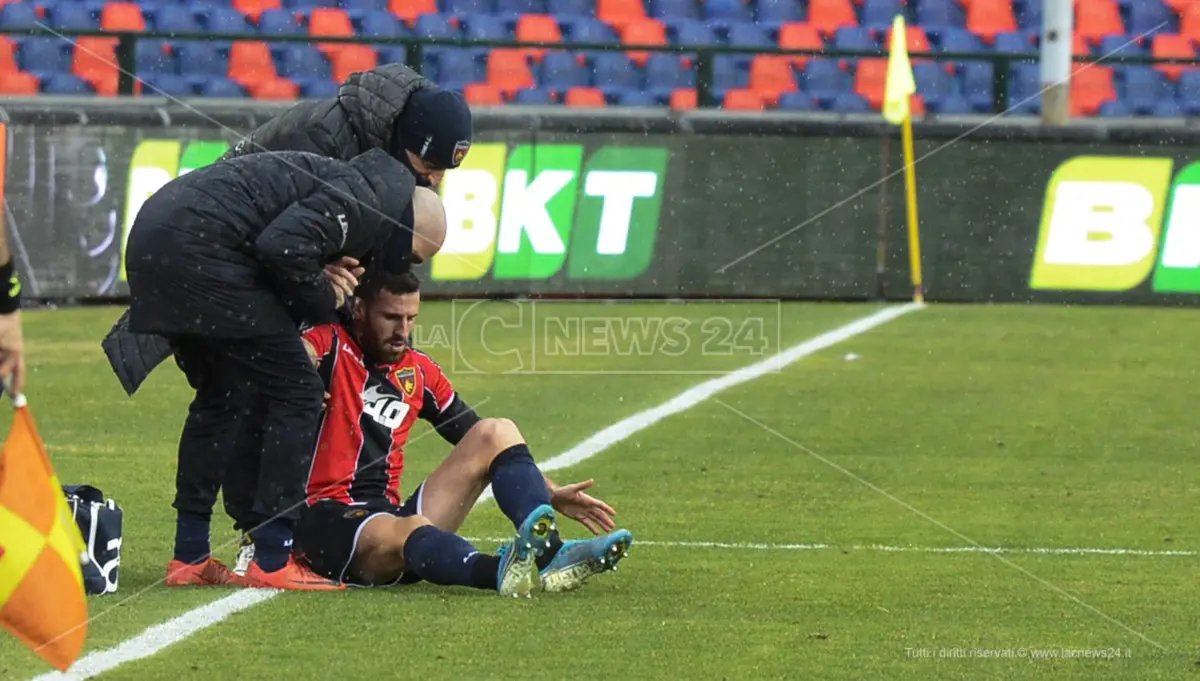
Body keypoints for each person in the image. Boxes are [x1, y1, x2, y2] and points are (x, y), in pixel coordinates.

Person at [125, 148, 447, 591]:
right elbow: (282, 248)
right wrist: (322, 289)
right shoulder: (359, 202)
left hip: (156, 239)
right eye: (410, 255)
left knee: (222, 394)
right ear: (398, 225)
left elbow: (277, 242)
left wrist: (315, 273)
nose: (402, 267)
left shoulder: (351, 183)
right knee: (297, 392)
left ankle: (190, 555)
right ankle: (274, 556)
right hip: (199, 251)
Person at [231, 270, 633, 593]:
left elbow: (476, 438)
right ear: (359, 310)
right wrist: (301, 376)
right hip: (321, 518)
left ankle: (551, 555)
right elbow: (296, 353)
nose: (403, 330)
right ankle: (500, 571)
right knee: (412, 528)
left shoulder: (417, 370)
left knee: (496, 431)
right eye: (391, 318)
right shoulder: (330, 345)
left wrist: (548, 490)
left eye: (411, 319)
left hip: (386, 514)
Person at [102, 62, 472, 399]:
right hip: (216, 266)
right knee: (253, 394)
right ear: (404, 137)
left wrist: (389, 358)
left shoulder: (388, 156)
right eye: (428, 164)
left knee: (273, 396)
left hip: (247, 266)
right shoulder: (323, 140)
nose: (433, 179)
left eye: (443, 170)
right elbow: (281, 240)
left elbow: (363, 272)